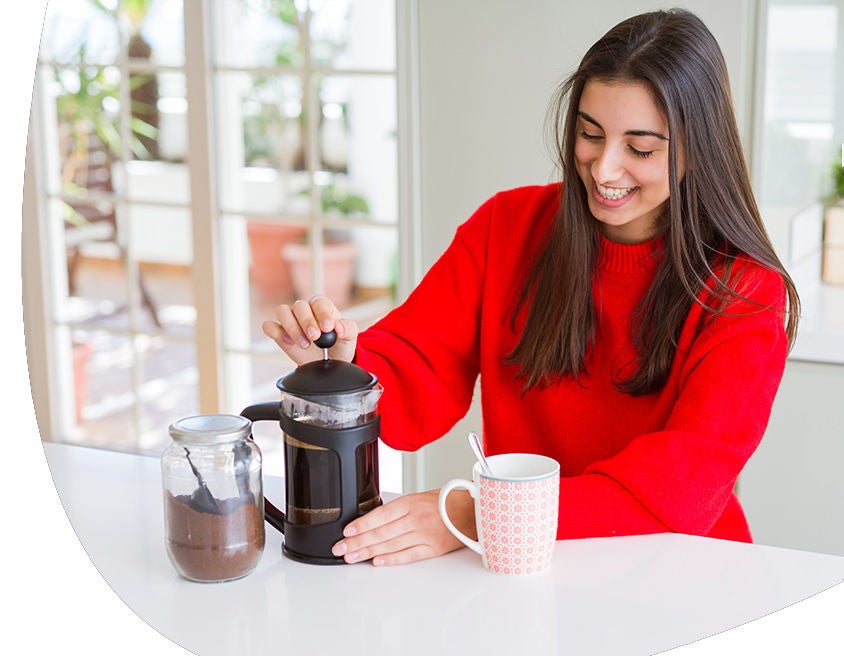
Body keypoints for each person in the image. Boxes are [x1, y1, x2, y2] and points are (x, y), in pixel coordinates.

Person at [262, 8, 799, 567]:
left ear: (698, 149)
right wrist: (344, 371)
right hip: (522, 567)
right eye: (590, 135)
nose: (604, 169)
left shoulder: (747, 292)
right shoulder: (507, 228)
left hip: (684, 571)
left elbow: (682, 489)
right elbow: (418, 367)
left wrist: (476, 512)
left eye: (640, 149)